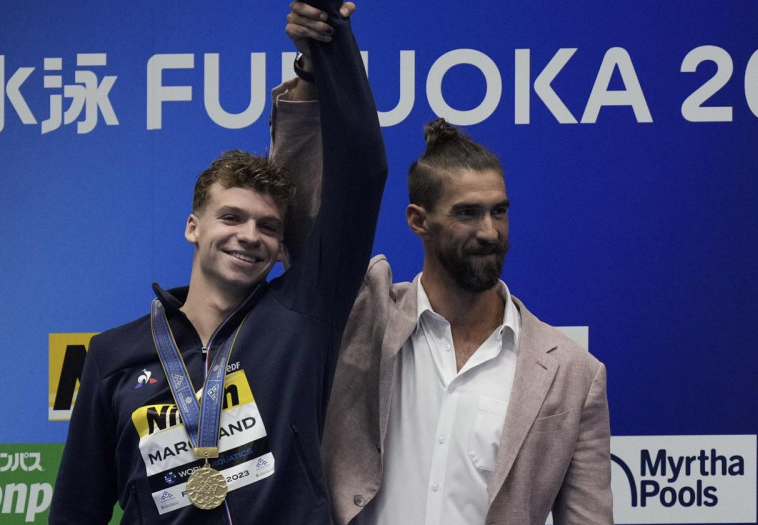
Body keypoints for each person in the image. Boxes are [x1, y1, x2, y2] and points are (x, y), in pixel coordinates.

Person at [50, 1, 387, 523]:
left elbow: (363, 171)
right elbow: (77, 511)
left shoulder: (304, 315)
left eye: (268, 227)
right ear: (194, 227)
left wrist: (330, 44)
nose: (249, 236)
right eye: (231, 217)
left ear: (279, 247)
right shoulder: (113, 354)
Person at [280, 4, 613, 524]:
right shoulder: (362, 316)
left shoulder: (572, 374)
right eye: (467, 213)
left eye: (499, 211)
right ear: (419, 220)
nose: (489, 232)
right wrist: (311, 73)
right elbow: (300, 217)